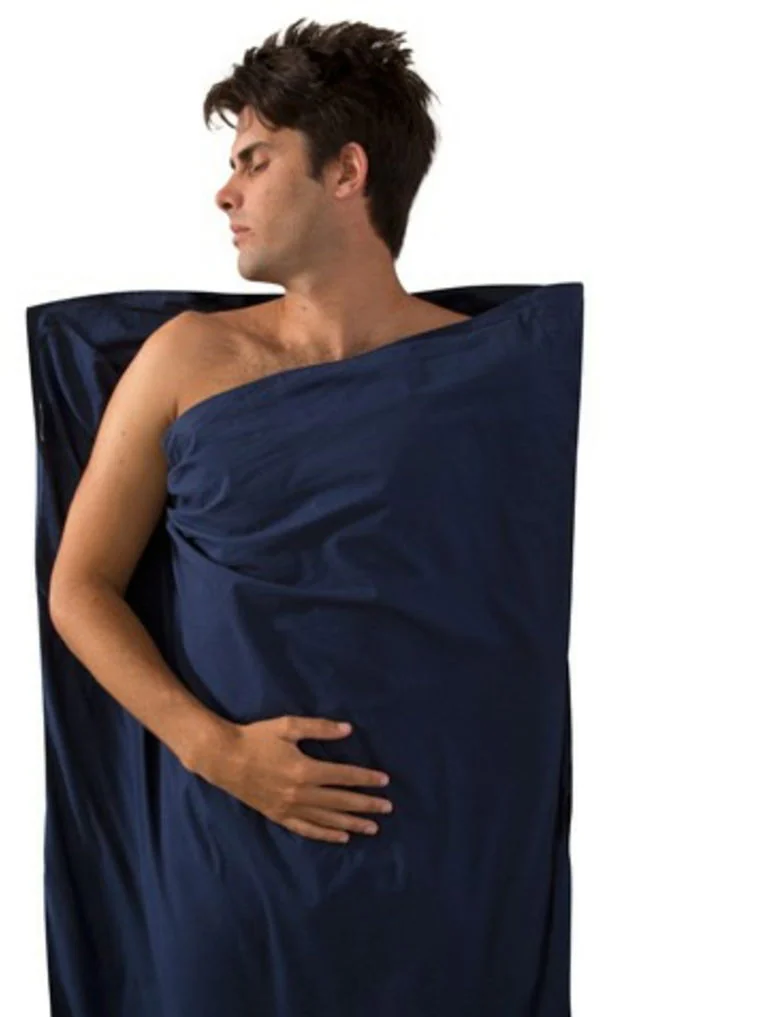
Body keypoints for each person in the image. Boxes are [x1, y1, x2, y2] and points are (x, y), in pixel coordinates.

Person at [48, 18, 470, 845]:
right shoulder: (186, 358)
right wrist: (218, 753)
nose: (226, 192)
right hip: (227, 831)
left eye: (255, 160)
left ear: (346, 171)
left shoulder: (491, 372)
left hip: (439, 825)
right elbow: (81, 587)